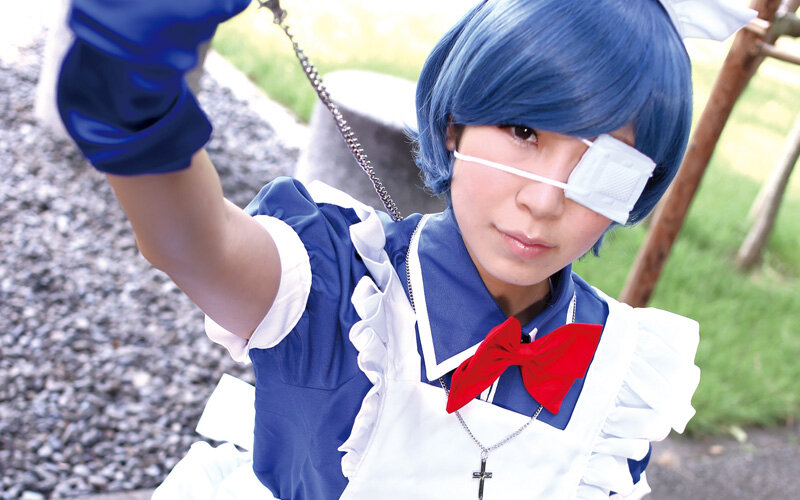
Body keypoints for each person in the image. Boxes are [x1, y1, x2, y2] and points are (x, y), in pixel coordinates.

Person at [56, 0, 755, 498]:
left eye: (603, 165)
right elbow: (186, 239)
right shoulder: (334, 286)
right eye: (523, 131)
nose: (545, 202)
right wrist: (132, 67)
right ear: (454, 127)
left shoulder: (623, 371)